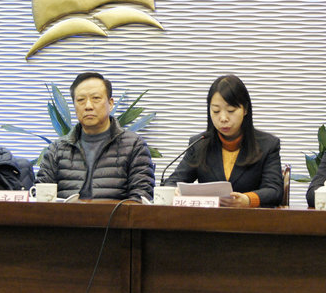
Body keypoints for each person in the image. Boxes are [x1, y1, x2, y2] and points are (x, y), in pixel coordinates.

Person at [163, 74, 283, 207]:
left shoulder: (267, 145)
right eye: (216, 111)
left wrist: (248, 200)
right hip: (208, 218)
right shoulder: (199, 144)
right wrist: (175, 192)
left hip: (250, 218)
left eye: (231, 111)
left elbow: (274, 191)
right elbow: (173, 182)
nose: (223, 118)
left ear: (245, 109)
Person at [36, 72, 155, 200]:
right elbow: (40, 198)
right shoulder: (57, 149)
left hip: (115, 213)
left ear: (110, 103)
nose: (88, 106)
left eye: (96, 98)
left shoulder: (134, 146)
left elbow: (141, 198)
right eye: (81, 100)